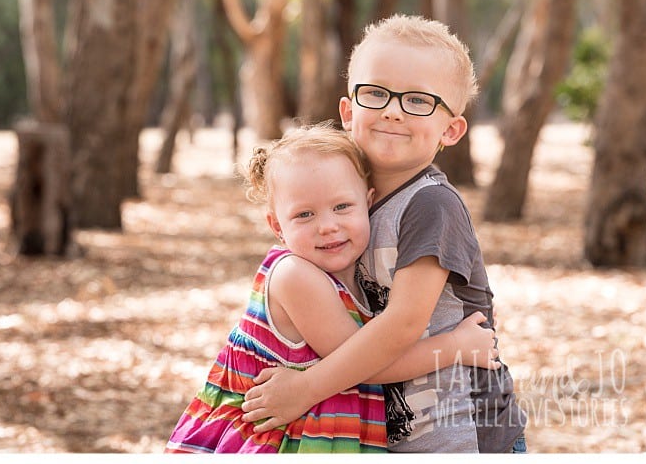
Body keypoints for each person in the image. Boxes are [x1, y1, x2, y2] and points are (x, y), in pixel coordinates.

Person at [241, 15, 528, 453]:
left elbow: (401, 326)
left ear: (450, 130)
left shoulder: (431, 206)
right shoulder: (346, 203)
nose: (392, 109)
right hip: (390, 432)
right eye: (376, 93)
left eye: (418, 100)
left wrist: (306, 388)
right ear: (348, 111)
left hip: (460, 430)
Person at [165, 122, 500, 454]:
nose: (327, 226)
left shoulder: (359, 273)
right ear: (277, 226)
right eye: (304, 215)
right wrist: (456, 345)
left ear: (368, 202)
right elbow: (370, 361)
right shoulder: (296, 276)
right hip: (274, 443)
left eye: (342, 207)